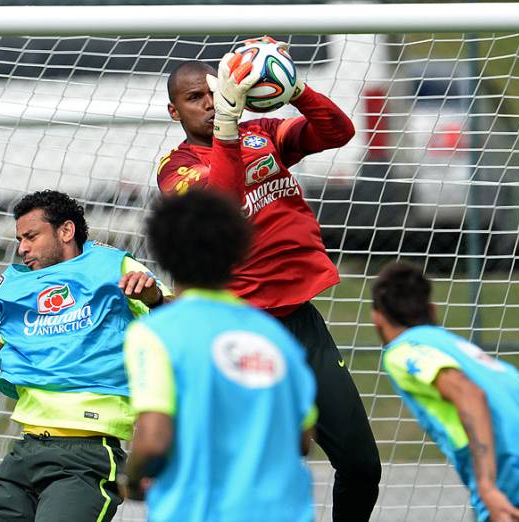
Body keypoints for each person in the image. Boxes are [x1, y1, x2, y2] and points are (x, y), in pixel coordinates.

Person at [155, 38, 381, 519]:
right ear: (174, 112)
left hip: (300, 322)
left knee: (362, 464)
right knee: (257, 468)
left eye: (214, 91)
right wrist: (228, 130)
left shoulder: (264, 132)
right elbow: (222, 198)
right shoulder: (175, 169)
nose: (210, 102)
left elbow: (337, 131)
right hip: (237, 330)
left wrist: (296, 88)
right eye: (195, 98)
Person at [0, 190, 171, 522]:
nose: (22, 248)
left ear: (66, 231)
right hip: (26, 451)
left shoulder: (112, 267)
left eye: (31, 236)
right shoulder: (26, 288)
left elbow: (180, 320)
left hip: (86, 454)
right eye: (19, 239)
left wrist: (154, 297)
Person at [121, 189, 317, 522]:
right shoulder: (275, 336)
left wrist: (133, 477)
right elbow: (302, 440)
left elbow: (153, 440)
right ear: (237, 253)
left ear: (163, 253)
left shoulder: (157, 333)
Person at [371, 262, 519, 522]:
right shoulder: (468, 354)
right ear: (432, 310)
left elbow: (470, 395)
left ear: (377, 318)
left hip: (517, 498)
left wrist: (487, 488)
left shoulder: (403, 351)